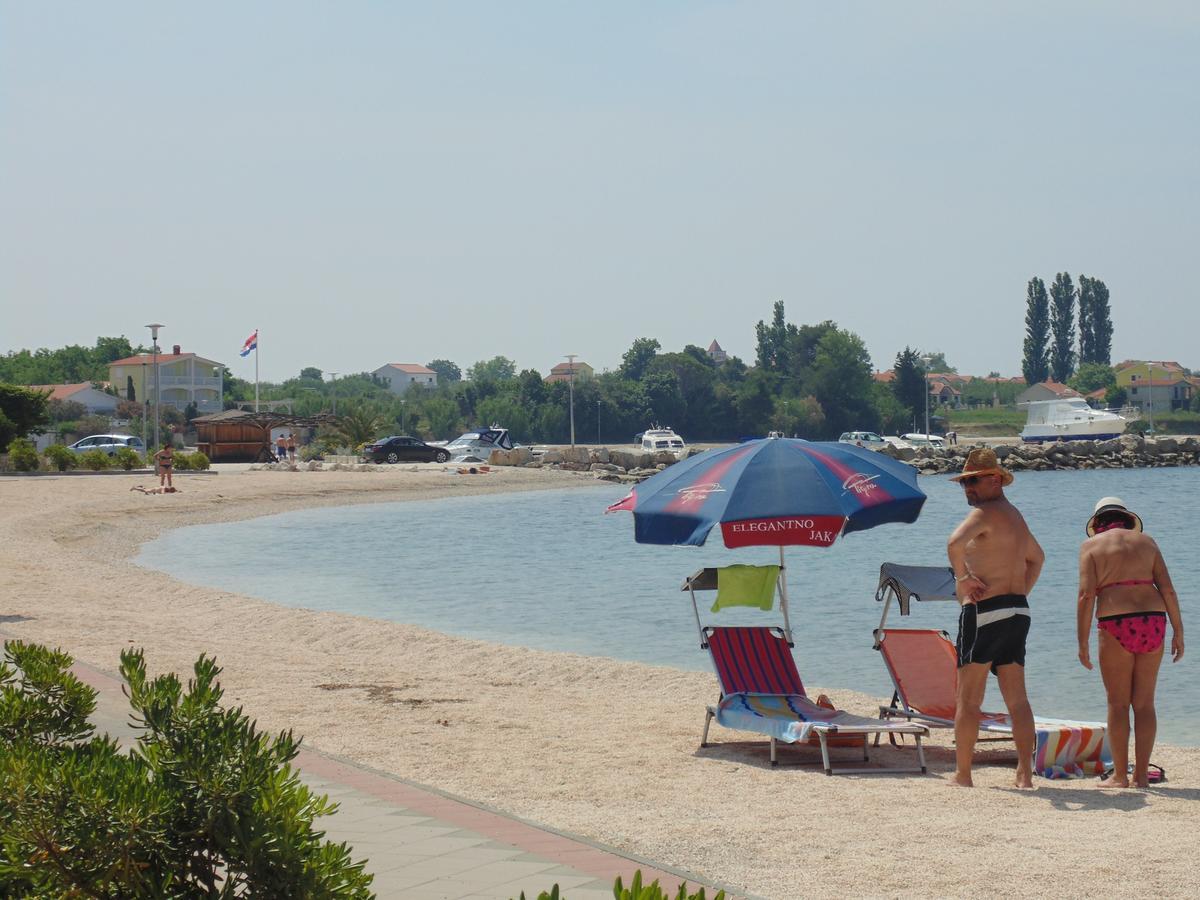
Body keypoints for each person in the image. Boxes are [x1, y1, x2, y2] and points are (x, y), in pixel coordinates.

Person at [946, 447, 1044, 788]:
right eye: (964, 482)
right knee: (1017, 697)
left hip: (985, 612)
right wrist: (1019, 593)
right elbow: (1038, 558)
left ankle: (963, 774)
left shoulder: (985, 513)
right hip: (1017, 610)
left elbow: (954, 543)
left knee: (968, 697)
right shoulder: (1014, 515)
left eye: (972, 481)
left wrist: (962, 577)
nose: (968, 488)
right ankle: (1024, 775)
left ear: (994, 480)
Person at [1077, 497, 1184, 788]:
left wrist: (1082, 641)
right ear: (1126, 519)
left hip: (1115, 623)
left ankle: (1121, 776)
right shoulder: (1147, 542)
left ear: (1097, 523)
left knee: (1117, 703)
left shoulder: (1091, 547)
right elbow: (1168, 589)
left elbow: (1086, 596)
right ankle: (1141, 778)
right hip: (1153, 620)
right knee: (1145, 704)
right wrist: (1178, 630)